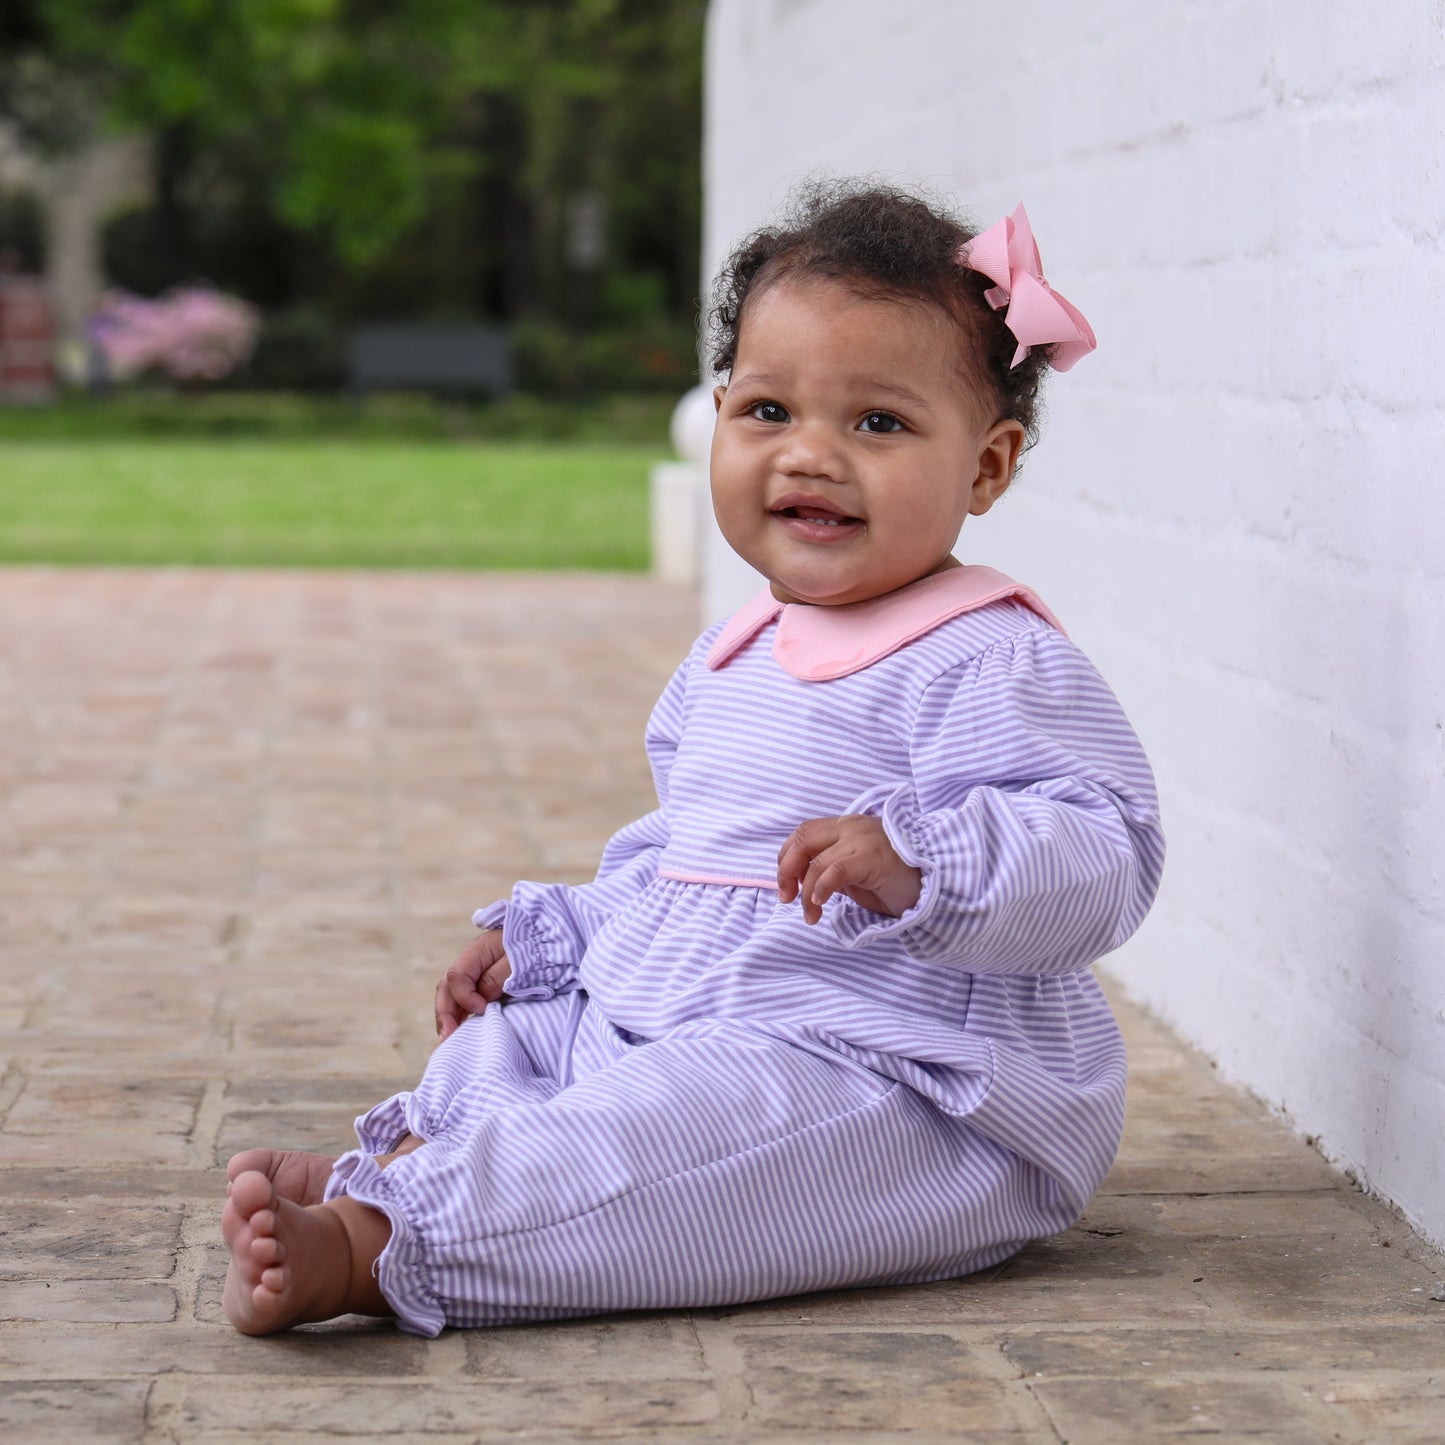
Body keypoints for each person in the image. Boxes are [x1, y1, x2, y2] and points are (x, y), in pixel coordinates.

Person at [221, 181, 1165, 1336]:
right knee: (528, 1037)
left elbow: (1103, 845)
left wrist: (921, 856)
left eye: (876, 424)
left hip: (896, 1080)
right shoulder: (736, 652)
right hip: (702, 1012)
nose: (810, 455)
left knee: (683, 1130)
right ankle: (422, 1156)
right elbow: (688, 856)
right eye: (768, 410)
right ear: (718, 413)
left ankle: (387, 1243)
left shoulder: (981, 658)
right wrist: (561, 932)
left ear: (985, 466)